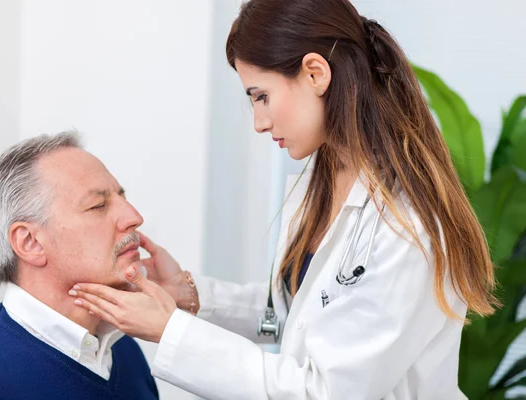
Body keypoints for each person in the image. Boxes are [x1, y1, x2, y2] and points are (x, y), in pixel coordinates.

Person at [68, 0, 498, 398]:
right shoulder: (322, 179)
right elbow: (295, 321)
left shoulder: (406, 224)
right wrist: (190, 295)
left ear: (315, 73)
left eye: (261, 96)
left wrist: (171, 330)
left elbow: (327, 392)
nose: (259, 122)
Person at [0, 132, 159, 400]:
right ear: (30, 243)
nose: (134, 217)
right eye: (98, 206)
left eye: (122, 197)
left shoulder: (122, 350)